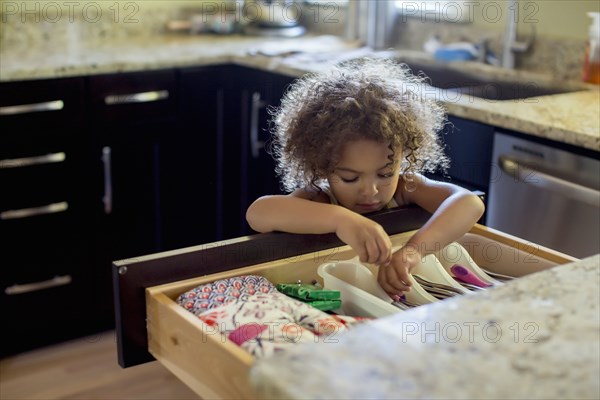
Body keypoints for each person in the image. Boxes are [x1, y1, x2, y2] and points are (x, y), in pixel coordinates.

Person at [246, 58, 485, 297]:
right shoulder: (320, 198)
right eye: (350, 178)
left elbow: (469, 203)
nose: (370, 191)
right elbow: (258, 213)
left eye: (385, 174)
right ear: (323, 167)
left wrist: (413, 251)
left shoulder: (406, 187)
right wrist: (341, 219)